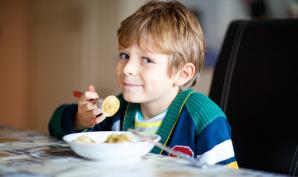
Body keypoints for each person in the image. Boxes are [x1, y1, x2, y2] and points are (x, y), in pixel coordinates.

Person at [49, 0, 238, 169]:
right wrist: (80, 118)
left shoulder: (203, 118)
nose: (127, 69)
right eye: (124, 56)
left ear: (182, 73)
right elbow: (55, 126)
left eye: (146, 60)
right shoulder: (116, 111)